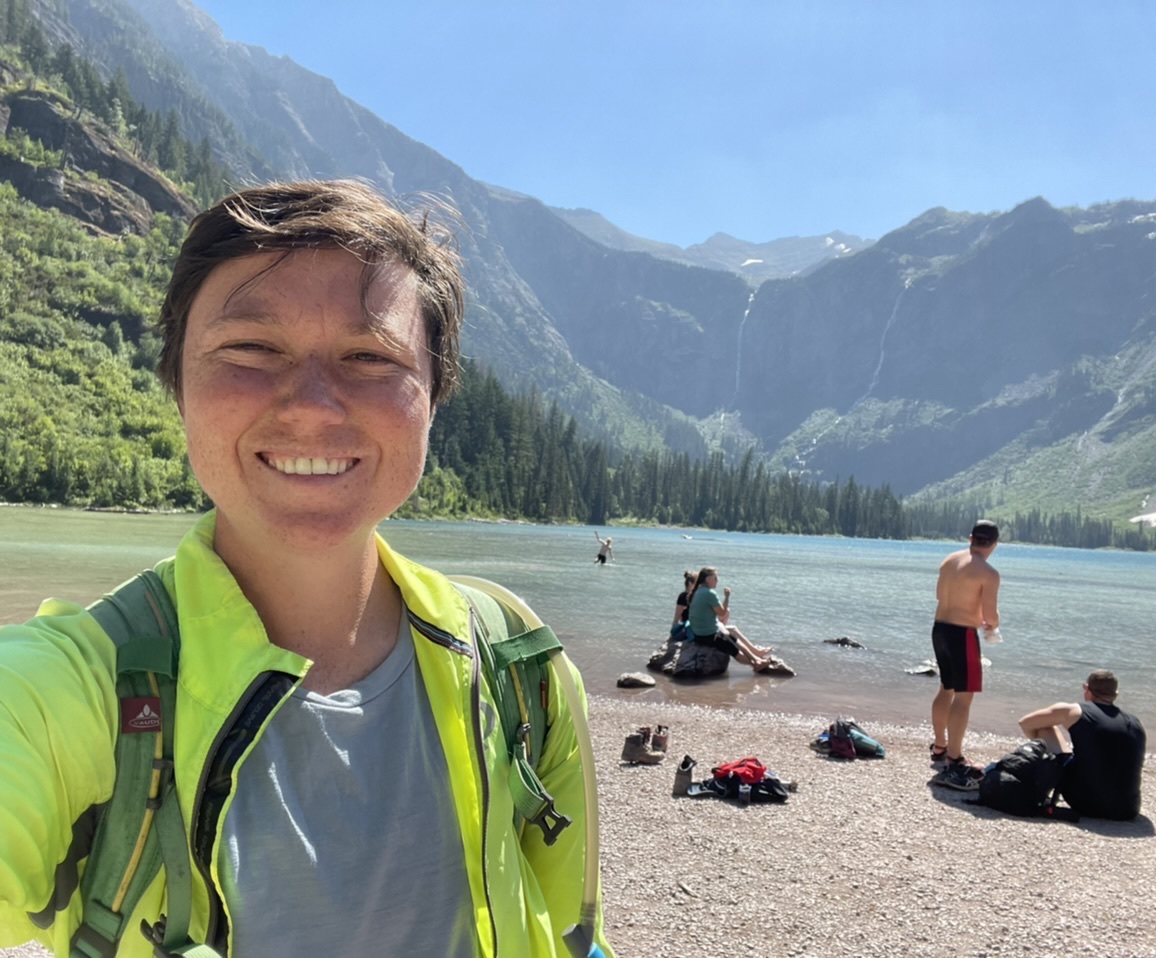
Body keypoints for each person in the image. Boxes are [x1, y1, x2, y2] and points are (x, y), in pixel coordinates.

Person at [0, 180, 611, 958]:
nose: (314, 404)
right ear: (178, 387)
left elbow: (573, 937)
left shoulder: (518, 661)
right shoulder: (70, 692)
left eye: (369, 356)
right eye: (252, 350)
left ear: (433, 398)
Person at [929, 519, 1002, 789]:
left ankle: (940, 746)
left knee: (946, 687)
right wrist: (993, 625)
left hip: (939, 628)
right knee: (964, 696)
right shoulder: (988, 572)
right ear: (994, 544)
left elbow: (940, 595)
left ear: (970, 538)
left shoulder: (949, 560)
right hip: (962, 635)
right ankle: (954, 758)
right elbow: (990, 615)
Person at [1018, 669, 1146, 820]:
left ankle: (1046, 780)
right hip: (1128, 809)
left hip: (1086, 803)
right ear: (1115, 695)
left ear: (1087, 689)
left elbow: (1025, 723)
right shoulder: (1136, 723)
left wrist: (1045, 755)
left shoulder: (1074, 711)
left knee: (1044, 727)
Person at [686, 567, 773, 670]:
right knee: (733, 646)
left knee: (731, 633)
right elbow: (722, 613)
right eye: (715, 578)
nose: (717, 581)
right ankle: (756, 663)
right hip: (708, 635)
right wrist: (727, 597)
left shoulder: (698, 591)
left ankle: (756, 655)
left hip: (698, 634)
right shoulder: (709, 593)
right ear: (708, 579)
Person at [670, 570, 696, 642]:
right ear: (690, 583)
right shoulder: (684, 596)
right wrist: (672, 633)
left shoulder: (698, 596)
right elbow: (677, 617)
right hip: (687, 626)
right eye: (696, 583)